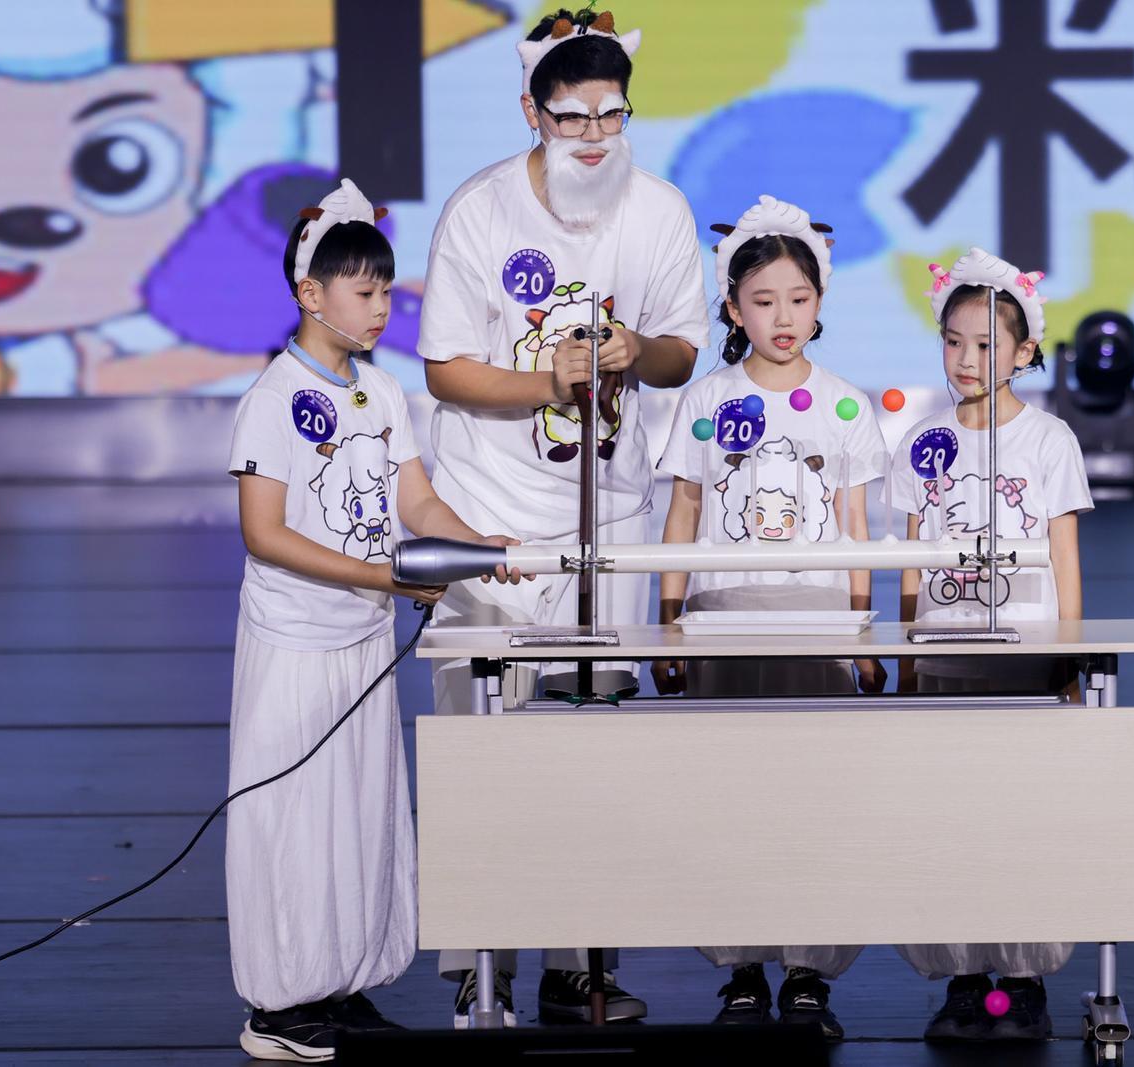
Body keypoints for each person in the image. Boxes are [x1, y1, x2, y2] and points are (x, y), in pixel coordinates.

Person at [415, 6, 708, 1027]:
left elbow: (682, 349)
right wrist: (548, 381)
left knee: (596, 746)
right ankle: (478, 955)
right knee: (482, 741)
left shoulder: (659, 210)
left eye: (611, 115)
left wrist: (634, 353)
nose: (593, 135)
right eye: (572, 116)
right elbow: (444, 367)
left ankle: (582, 960)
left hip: (608, 512)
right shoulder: (480, 211)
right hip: (493, 509)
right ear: (531, 112)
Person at [226, 179, 524, 1062]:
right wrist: (381, 575)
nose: (382, 307)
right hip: (294, 642)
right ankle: (278, 1006)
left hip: (360, 640)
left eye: (388, 290)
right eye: (364, 290)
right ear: (309, 293)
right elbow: (263, 532)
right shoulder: (273, 397)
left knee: (358, 815)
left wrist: (474, 543)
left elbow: (416, 501)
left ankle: (340, 983)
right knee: (290, 815)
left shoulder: (384, 393)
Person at [654, 195, 889, 1041]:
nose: (783, 317)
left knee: (816, 796)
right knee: (729, 796)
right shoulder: (707, 398)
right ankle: (743, 969)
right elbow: (684, 513)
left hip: (817, 628)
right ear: (732, 307)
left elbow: (857, 528)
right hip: (723, 624)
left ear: (820, 302)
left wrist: (863, 631)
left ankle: (808, 971)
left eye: (798, 298)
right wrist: (668, 620)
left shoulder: (846, 404)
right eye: (763, 300)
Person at [886, 246, 1094, 1042]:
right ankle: (966, 977)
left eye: (985, 344)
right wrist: (909, 655)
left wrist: (1070, 655)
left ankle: (1025, 977)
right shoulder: (922, 440)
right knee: (950, 817)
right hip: (947, 657)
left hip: (1026, 660)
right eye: (953, 341)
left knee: (1023, 817)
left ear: (1024, 350)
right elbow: (910, 558)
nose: (966, 360)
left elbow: (1065, 554)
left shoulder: (1048, 440)